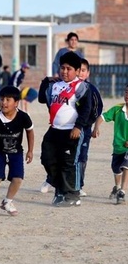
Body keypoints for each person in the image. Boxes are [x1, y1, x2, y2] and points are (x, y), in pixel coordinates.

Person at [39, 51, 92, 207]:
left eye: (69, 69)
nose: (64, 71)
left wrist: (78, 127)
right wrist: (45, 81)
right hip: (54, 130)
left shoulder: (81, 87)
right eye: (62, 68)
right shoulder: (55, 85)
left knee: (69, 163)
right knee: (47, 159)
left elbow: (86, 109)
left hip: (72, 131)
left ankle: (73, 194)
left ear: (76, 70)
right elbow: (42, 99)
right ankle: (60, 190)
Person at [0, 86, 34, 217]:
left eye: (8, 99)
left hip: (16, 152)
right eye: (1, 99)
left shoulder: (23, 117)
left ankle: (7, 202)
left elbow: (30, 132)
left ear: (16, 103)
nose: (4, 102)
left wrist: (30, 150)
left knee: (17, 179)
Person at [92, 85, 128, 204]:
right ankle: (117, 188)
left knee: (126, 165)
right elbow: (102, 117)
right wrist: (96, 127)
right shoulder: (117, 109)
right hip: (118, 146)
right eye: (126, 92)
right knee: (116, 169)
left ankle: (122, 192)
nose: (127, 95)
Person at [75, 58, 103, 197]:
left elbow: (99, 108)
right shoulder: (69, 88)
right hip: (68, 128)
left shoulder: (91, 89)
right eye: (78, 70)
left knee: (82, 156)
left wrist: (93, 124)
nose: (80, 73)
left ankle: (78, 185)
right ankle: (52, 180)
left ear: (88, 73)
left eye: (83, 70)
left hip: (85, 129)